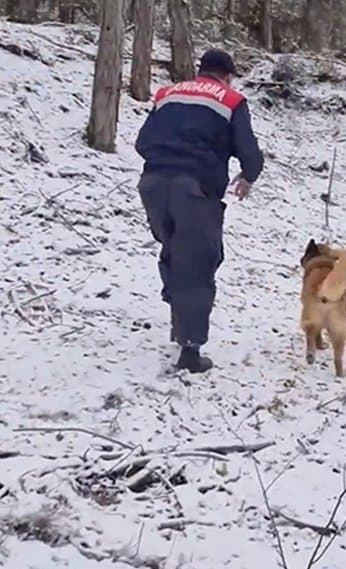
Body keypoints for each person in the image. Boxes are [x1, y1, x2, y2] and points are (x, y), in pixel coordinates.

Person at [134, 49, 264, 373]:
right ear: (227, 76)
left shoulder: (167, 94)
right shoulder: (231, 101)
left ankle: (176, 298)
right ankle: (190, 352)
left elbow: (142, 142)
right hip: (193, 192)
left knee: (175, 251)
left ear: (199, 71)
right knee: (197, 264)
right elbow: (249, 151)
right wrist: (248, 175)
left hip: (152, 186)